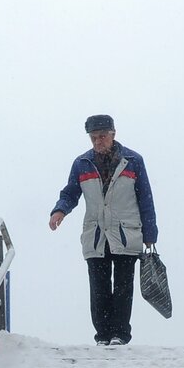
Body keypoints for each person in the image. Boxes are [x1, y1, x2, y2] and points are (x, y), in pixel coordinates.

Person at [49, 115, 158, 345]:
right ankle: (103, 335)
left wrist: (150, 235)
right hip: (96, 235)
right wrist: (60, 210)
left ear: (113, 134)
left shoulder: (133, 161)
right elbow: (71, 193)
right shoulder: (82, 163)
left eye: (102, 137)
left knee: (123, 287)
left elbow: (145, 198)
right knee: (98, 288)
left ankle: (120, 334)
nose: (98, 142)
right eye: (94, 138)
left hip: (126, 234)